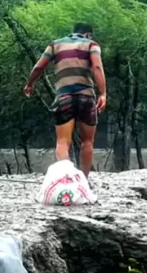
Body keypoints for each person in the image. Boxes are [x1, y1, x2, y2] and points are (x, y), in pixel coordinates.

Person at [23, 23, 106, 180]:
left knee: (62, 142)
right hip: (86, 97)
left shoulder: (55, 44)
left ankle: (68, 180)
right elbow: (97, 67)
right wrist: (103, 93)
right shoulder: (92, 45)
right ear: (88, 34)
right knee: (87, 142)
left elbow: (38, 67)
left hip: (64, 97)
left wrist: (30, 84)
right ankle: (84, 182)